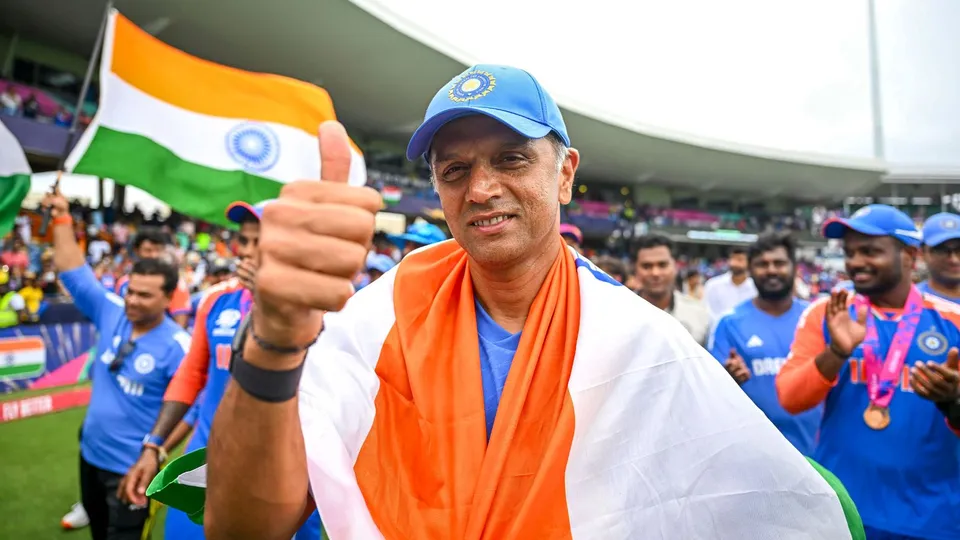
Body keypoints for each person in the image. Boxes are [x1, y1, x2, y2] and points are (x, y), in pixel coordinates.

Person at [197, 65, 860, 539]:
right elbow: (240, 527)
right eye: (454, 169)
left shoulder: (640, 341)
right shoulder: (377, 319)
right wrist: (277, 339)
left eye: (511, 159)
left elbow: (746, 502)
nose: (481, 188)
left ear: (565, 172)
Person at [119, 200, 321, 540]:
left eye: (263, 241)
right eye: (245, 240)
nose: (249, 251)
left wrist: (273, 305)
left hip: (281, 473)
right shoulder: (215, 301)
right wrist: (154, 445)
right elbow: (191, 375)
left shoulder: (317, 309)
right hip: (205, 462)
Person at [777, 204, 960, 539]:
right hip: (843, 513)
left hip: (933, 518)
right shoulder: (827, 313)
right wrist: (836, 353)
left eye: (870, 251)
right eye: (850, 252)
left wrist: (953, 401)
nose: (855, 262)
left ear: (909, 255)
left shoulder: (953, 321)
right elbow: (790, 398)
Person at [43, 190, 190, 540]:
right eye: (130, 292)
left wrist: (154, 453)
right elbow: (74, 274)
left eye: (145, 295)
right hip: (91, 456)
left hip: (133, 468)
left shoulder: (178, 346)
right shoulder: (111, 311)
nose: (133, 301)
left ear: (169, 298)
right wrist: (62, 217)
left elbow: (191, 409)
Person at [709, 232, 822, 455]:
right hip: (754, 457)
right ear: (751, 270)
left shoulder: (815, 318)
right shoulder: (729, 323)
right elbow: (711, 391)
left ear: (794, 268)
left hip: (815, 454)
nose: (771, 270)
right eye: (762, 264)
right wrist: (726, 378)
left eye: (779, 263)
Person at [633, 234, 710, 345]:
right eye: (646, 266)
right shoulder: (618, 314)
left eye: (662, 265)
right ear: (635, 269)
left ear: (675, 266)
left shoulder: (699, 314)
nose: (655, 273)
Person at [115, 228, 192, 327]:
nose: (154, 255)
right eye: (148, 250)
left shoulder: (175, 283)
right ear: (137, 251)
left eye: (158, 250)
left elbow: (180, 324)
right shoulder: (123, 282)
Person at [703, 246, 757, 324]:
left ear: (749, 263)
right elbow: (707, 311)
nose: (734, 263)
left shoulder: (755, 288)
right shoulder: (713, 285)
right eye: (732, 259)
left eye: (739, 260)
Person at [918, 212, 960, 302]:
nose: (954, 260)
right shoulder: (910, 303)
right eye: (941, 251)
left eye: (959, 250)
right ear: (922, 253)